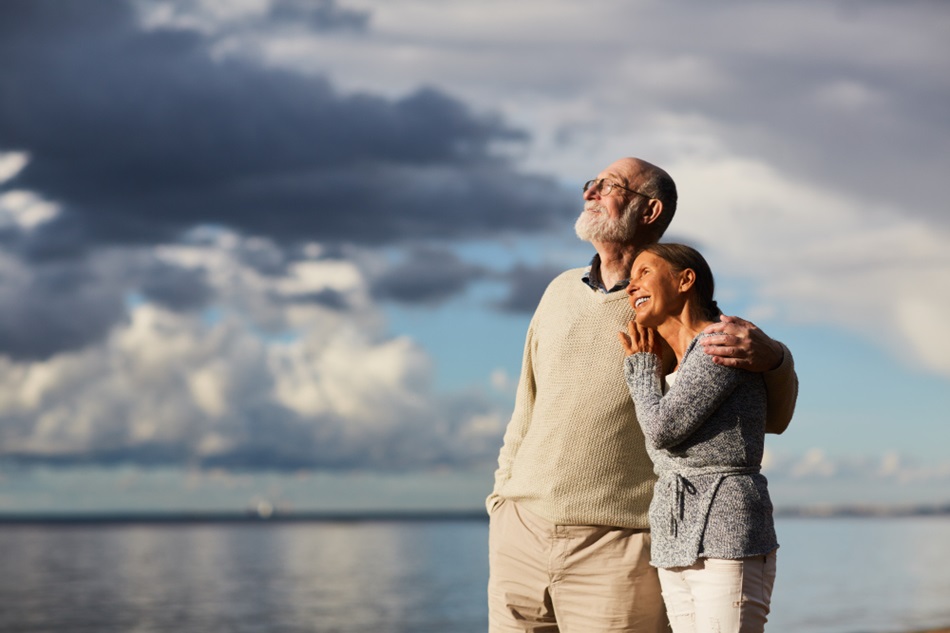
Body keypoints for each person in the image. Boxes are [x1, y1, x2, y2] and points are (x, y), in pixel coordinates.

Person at [486, 157, 797, 633]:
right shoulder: (558, 291)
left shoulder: (669, 312)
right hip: (519, 537)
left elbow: (769, 416)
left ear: (650, 211)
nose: (590, 192)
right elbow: (525, 406)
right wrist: (501, 501)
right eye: (591, 183)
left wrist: (776, 357)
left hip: (620, 547)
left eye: (608, 186)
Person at [619, 243, 778, 633]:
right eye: (630, 278)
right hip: (675, 534)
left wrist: (641, 371)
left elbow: (661, 431)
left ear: (685, 280)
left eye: (643, 272)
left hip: (725, 527)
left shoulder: (718, 344)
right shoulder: (682, 361)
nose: (630, 286)